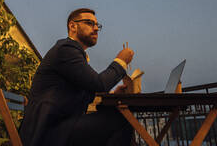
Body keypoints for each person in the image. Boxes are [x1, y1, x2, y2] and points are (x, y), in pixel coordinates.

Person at [19, 8, 135, 146]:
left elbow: (85, 92)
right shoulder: (66, 49)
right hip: (47, 133)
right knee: (120, 122)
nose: (96, 28)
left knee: (115, 118)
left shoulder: (72, 52)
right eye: (90, 23)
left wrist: (112, 95)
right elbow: (99, 83)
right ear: (72, 26)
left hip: (56, 127)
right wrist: (121, 62)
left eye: (97, 25)